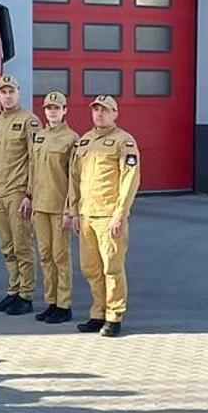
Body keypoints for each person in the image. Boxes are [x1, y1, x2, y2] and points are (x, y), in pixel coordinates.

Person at [69, 95, 140, 337]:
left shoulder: (124, 141)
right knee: (90, 268)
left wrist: (120, 214)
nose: (99, 114)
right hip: (86, 215)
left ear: (115, 113)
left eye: (105, 110)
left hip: (108, 216)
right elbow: (75, 178)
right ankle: (98, 312)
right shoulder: (85, 141)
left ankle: (114, 315)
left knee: (112, 268)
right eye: (96, 110)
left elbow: (130, 179)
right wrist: (73, 211)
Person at [0, 76, 40, 316]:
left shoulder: (29, 121)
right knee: (7, 246)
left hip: (18, 192)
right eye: (3, 92)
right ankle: (13, 290)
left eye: (11, 92)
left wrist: (30, 193)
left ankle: (26, 295)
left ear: (19, 93)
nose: (7, 96)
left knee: (22, 245)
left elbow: (35, 159)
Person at [24, 91, 78, 324]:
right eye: (48, 108)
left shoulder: (72, 139)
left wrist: (70, 210)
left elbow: (74, 178)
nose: (52, 112)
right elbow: (33, 169)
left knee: (60, 257)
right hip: (40, 206)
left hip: (58, 207)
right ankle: (51, 302)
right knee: (45, 256)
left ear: (65, 110)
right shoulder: (39, 136)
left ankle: (64, 305)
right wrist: (29, 196)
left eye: (57, 108)